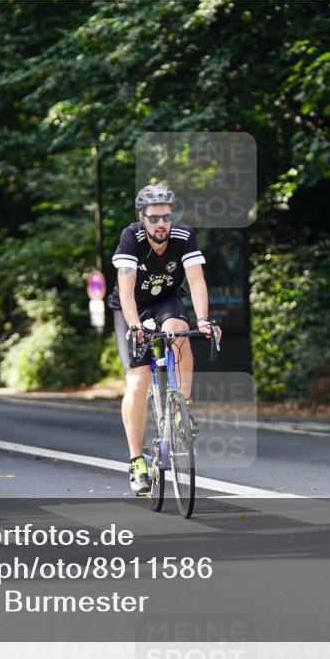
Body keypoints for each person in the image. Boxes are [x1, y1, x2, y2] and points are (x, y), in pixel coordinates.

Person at [108, 184, 220, 494]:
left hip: (166, 300)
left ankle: (182, 408)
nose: (161, 224)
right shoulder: (132, 238)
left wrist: (202, 319)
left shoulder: (183, 236)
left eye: (166, 218)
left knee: (179, 332)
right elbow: (126, 291)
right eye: (154, 218)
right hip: (131, 307)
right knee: (138, 379)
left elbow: (196, 281)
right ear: (141, 218)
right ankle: (136, 462)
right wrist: (134, 326)